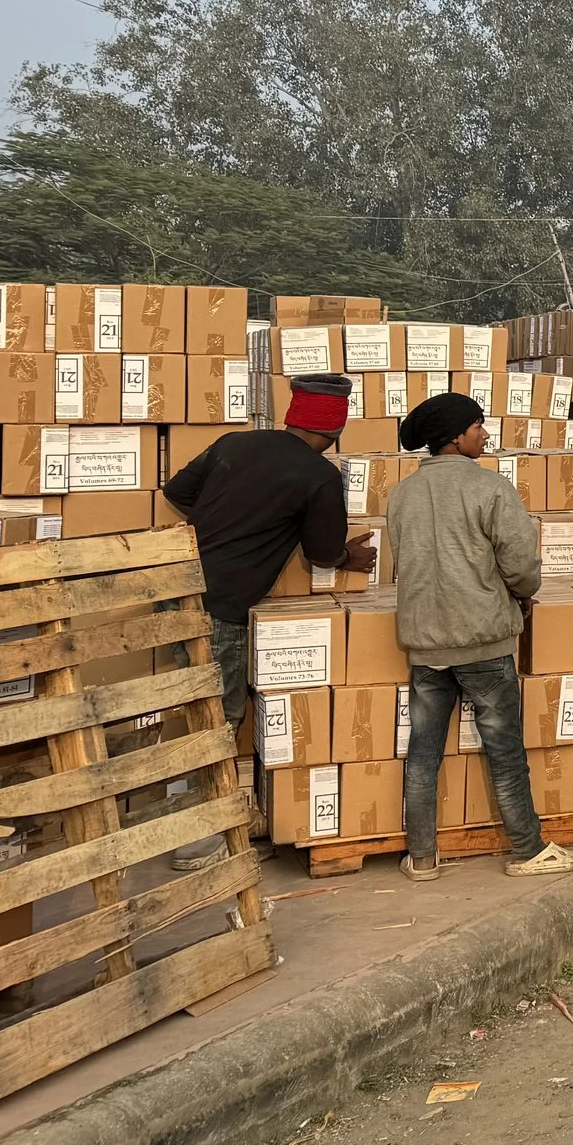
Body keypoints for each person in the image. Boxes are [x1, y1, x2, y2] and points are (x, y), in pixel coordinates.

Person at [163, 372, 377, 870]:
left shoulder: (233, 443)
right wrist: (349, 557)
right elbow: (323, 553)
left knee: (188, 707)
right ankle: (197, 839)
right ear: (335, 430)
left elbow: (178, 491)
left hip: (175, 590)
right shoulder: (318, 476)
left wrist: (229, 521)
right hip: (223, 608)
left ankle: (199, 819)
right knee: (218, 716)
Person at [382, 393, 573, 880]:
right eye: (478, 426)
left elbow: (406, 559)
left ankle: (423, 857)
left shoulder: (402, 494)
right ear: (455, 436)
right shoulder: (491, 488)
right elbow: (521, 565)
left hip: (424, 642)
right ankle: (528, 849)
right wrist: (522, 594)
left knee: (423, 752)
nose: (485, 434)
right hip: (483, 640)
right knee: (505, 750)